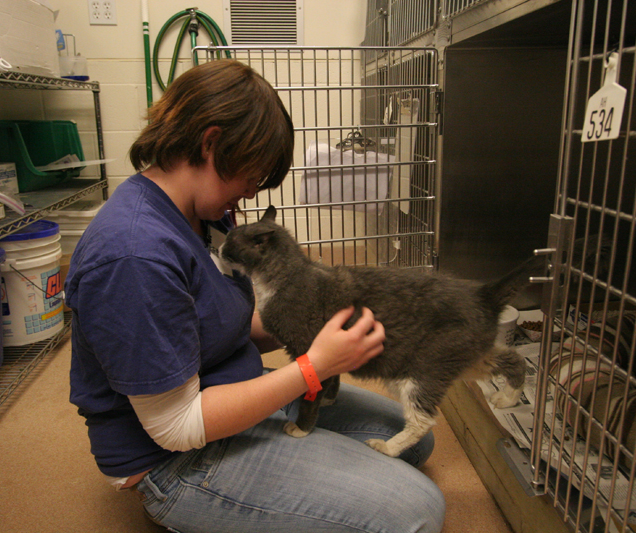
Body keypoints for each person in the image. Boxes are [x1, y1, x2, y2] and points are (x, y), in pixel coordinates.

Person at [66, 59, 445, 533]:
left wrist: (326, 319)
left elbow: (214, 323)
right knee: (417, 512)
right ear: (211, 143)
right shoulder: (134, 255)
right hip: (172, 455)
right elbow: (175, 427)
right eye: (252, 176)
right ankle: (184, 505)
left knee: (415, 441)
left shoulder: (203, 214)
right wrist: (314, 366)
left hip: (226, 385)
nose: (248, 196)